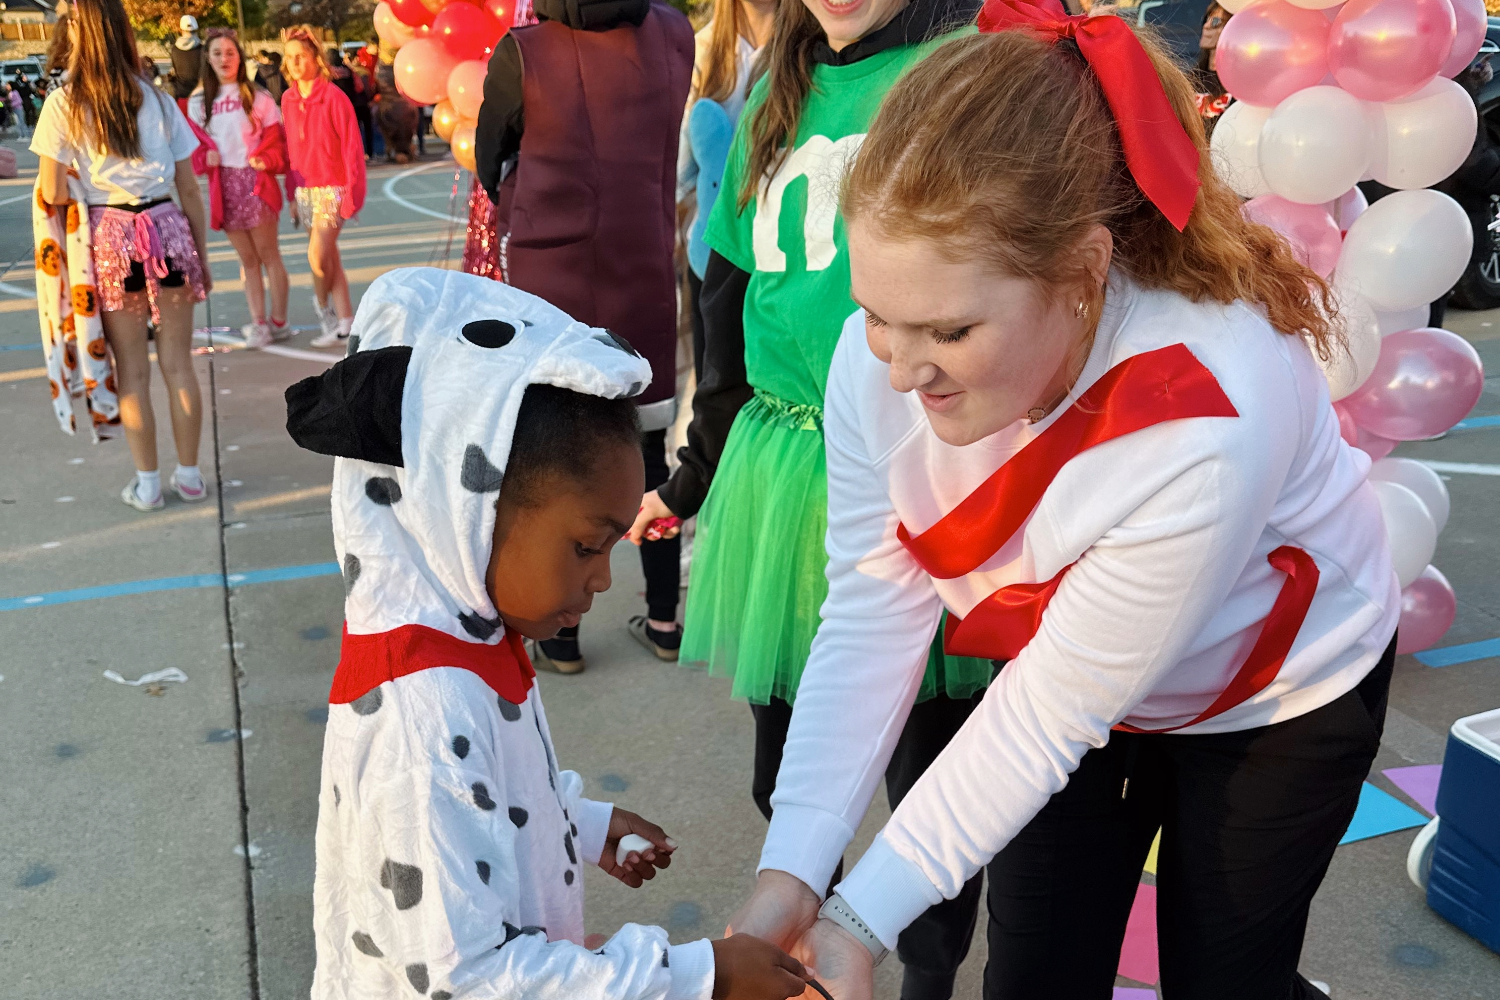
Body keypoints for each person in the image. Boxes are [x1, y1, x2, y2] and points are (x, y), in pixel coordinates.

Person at [728, 5, 1401, 1000]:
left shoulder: (1207, 408)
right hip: (1082, 685)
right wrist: (791, 878)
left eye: (951, 332)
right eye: (877, 315)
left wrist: (861, 916)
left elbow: (1048, 715)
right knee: (1035, 975)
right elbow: (873, 610)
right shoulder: (878, 358)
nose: (901, 370)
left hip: (1276, 696)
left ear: (1085, 270)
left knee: (1224, 981)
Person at [285, 267, 815, 1000]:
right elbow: (470, 978)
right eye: (586, 546)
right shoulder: (424, 719)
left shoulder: (467, 643)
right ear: (470, 507)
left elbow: (494, 802)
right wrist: (697, 974)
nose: (603, 581)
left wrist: (583, 823)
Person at [630, 0, 993, 995]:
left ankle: (927, 968)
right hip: (784, 469)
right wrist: (695, 466)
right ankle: (805, 961)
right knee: (786, 760)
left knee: (929, 775)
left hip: (926, 457)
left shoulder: (966, 67)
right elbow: (727, 293)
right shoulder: (769, 92)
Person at [473, 0, 694, 672]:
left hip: (555, 272)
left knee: (553, 453)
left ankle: (559, 630)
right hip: (642, 262)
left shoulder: (527, 51)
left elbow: (491, 158)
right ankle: (663, 616)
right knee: (648, 446)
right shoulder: (673, 33)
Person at [32, 0, 212, 511]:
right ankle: (192, 476)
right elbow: (190, 189)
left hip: (109, 241)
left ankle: (149, 484)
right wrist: (201, 256)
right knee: (179, 364)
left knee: (132, 370)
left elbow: (52, 190)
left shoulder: (64, 104)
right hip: (169, 231)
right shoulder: (156, 99)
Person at [677, 0, 775, 382]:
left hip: (775, 263)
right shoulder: (700, 49)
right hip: (710, 258)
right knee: (714, 396)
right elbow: (680, 169)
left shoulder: (808, 49)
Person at [188, 29, 290, 349]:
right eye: (217, 53)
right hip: (225, 186)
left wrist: (265, 159)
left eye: (230, 53)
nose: (224, 59)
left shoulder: (259, 98)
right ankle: (257, 322)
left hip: (255, 182)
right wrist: (206, 157)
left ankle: (278, 321)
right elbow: (191, 151)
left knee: (268, 254)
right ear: (208, 58)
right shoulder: (196, 103)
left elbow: (278, 145)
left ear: (240, 57)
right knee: (247, 260)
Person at [280, 27, 366, 349]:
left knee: (317, 255)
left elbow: (352, 148)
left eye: (301, 56)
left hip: (333, 188)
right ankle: (347, 321)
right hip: (304, 190)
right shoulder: (288, 99)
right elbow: (290, 150)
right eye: (290, 57)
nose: (295, 63)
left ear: (315, 58)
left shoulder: (334, 97)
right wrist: (291, 194)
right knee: (330, 258)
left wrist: (352, 194)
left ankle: (324, 312)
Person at [1193, 2, 1231, 133]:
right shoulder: (1191, 79)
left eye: (1215, 21)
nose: (1206, 26)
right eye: (1206, 20)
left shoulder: (1239, 86)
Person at [169, 14, 202, 108]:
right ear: (196, 30)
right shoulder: (202, 49)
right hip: (199, 98)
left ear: (181, 30)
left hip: (181, 96)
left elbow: (175, 70)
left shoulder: (174, 50)